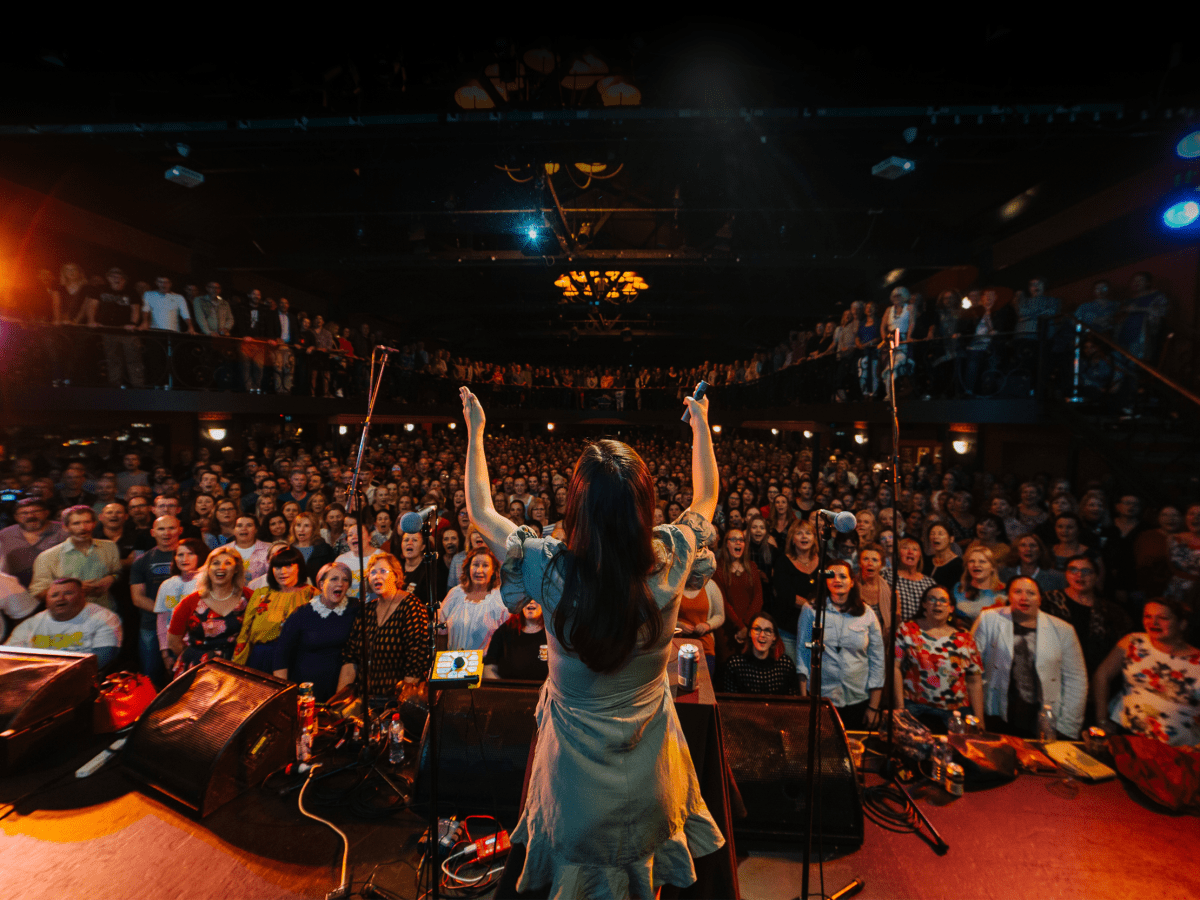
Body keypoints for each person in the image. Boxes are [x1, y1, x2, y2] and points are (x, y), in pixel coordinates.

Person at [459, 384, 725, 898]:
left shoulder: (547, 568)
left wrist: (477, 432)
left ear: (576, 504)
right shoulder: (672, 556)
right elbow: (706, 497)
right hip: (651, 773)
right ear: (643, 504)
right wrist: (700, 425)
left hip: (572, 786)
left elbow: (480, 510)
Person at [970, 576, 1088, 739]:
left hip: (1042, 717)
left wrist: (1068, 725)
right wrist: (976, 715)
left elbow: (1076, 679)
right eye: (1017, 592)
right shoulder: (989, 619)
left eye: (1031, 593)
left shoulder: (1063, 630)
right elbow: (972, 665)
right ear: (1009, 596)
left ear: (1039, 599)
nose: (1024, 597)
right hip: (996, 712)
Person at [1092, 597, 1200, 746]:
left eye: (1162, 618)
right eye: (1148, 616)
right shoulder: (1134, 641)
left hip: (1176, 746)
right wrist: (1102, 719)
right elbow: (1101, 676)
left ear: (1182, 624)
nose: (1153, 623)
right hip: (1124, 732)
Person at [796, 559, 885, 729]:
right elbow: (802, 653)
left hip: (858, 697)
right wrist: (803, 701)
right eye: (832, 576)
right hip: (822, 696)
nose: (837, 580)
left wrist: (874, 707)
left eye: (843, 576)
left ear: (852, 582)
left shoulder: (867, 614)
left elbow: (877, 660)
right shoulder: (811, 610)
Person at [336, 551, 431, 698]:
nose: (377, 576)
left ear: (396, 576)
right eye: (372, 572)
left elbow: (416, 664)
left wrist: (399, 705)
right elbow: (351, 659)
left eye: (383, 571)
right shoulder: (366, 611)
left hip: (395, 701)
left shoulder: (411, 607)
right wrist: (339, 702)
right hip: (365, 701)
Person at [893, 584, 984, 731]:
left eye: (943, 600)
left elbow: (974, 680)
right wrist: (900, 709)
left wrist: (979, 720)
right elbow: (894, 667)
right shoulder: (908, 629)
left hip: (955, 712)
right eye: (932, 599)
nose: (937, 603)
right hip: (915, 707)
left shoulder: (965, 637)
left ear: (951, 608)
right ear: (923, 604)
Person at [274, 561, 358, 702]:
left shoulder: (355, 609)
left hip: (341, 688)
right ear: (321, 584)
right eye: (334, 579)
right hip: (307, 688)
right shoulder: (302, 614)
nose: (340, 584)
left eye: (345, 580)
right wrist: (283, 697)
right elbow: (281, 656)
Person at [166, 546, 252, 676]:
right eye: (215, 563)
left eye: (227, 563)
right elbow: (174, 642)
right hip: (198, 667)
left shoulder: (249, 597)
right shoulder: (190, 602)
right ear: (208, 568)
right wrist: (196, 655)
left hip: (237, 666)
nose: (221, 567)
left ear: (236, 569)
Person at [5, 578, 121, 671]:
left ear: (82, 596)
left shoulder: (105, 618)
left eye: (68, 593)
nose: (60, 598)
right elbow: (7, 658)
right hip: (36, 680)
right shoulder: (30, 624)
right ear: (46, 601)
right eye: (54, 595)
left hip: (84, 681)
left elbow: (103, 658)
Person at [1043, 555, 1130, 677]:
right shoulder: (1047, 600)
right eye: (1073, 570)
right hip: (1055, 672)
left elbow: (1122, 646)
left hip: (1095, 675)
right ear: (1066, 574)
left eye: (1086, 571)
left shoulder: (1111, 610)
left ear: (1096, 576)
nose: (1079, 575)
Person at [233, 545, 316, 672]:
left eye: (288, 566)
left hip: (298, 658)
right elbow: (245, 632)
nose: (282, 572)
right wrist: (237, 665)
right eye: (277, 567)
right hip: (261, 656)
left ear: (299, 567)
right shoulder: (261, 594)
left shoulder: (312, 594)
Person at [28, 505, 121, 611]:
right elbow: (37, 593)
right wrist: (71, 590)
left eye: (87, 522)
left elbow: (118, 573)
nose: (83, 527)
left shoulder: (110, 547)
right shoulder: (47, 557)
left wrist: (112, 578)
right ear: (65, 527)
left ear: (94, 523)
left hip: (104, 611)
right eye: (76, 523)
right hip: (68, 616)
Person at [129, 515, 184, 685]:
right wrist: (167, 615)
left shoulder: (191, 556)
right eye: (161, 529)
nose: (166, 533)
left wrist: (179, 617)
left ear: (180, 530)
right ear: (153, 532)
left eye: (171, 528)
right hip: (151, 625)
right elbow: (137, 598)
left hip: (185, 627)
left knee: (184, 676)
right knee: (150, 676)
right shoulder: (142, 561)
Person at [768, 519, 820, 664]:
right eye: (799, 533)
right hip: (789, 630)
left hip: (816, 631)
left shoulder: (824, 561)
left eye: (808, 533)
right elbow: (786, 595)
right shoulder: (783, 562)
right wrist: (813, 606)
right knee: (792, 672)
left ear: (814, 538)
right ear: (792, 539)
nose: (804, 536)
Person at [152, 538, 209, 671]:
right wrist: (165, 653)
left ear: (200, 556)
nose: (185, 559)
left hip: (198, 645)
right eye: (180, 554)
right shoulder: (167, 584)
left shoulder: (206, 583)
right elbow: (162, 620)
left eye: (190, 554)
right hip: (173, 645)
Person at [438, 545, 508, 651]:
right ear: (468, 568)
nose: (479, 570)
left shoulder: (501, 600)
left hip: (485, 665)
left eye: (485, 566)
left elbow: (506, 640)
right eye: (475, 565)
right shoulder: (455, 594)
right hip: (453, 663)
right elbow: (441, 633)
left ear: (493, 570)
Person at [713, 527, 764, 667]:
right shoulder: (717, 569)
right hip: (726, 629)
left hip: (750, 629)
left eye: (741, 540)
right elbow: (722, 601)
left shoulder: (752, 567)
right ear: (726, 544)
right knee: (726, 668)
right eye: (733, 539)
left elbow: (758, 598)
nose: (738, 543)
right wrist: (739, 626)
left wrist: (746, 626)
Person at [721, 612, 798, 694]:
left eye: (768, 630)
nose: (762, 635)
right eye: (757, 629)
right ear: (750, 633)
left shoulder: (785, 664)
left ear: (774, 637)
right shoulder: (735, 664)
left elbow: (793, 702)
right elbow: (730, 703)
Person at [0, 497, 67, 589]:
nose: (30, 516)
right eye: (24, 513)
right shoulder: (5, 535)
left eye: (36, 511)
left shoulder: (63, 531)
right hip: (18, 590)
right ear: (16, 517)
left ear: (46, 513)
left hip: (58, 587)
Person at [676, 562, 726, 677]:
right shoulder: (676, 587)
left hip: (704, 647)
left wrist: (707, 625)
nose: (695, 579)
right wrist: (679, 626)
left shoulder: (710, 586)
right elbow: (665, 616)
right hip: (678, 647)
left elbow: (719, 615)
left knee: (703, 685)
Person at [483, 597, 549, 681]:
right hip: (509, 691)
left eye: (535, 597)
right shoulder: (504, 631)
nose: (531, 602)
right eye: (527, 598)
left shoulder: (552, 634)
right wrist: (502, 690)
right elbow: (489, 667)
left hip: (543, 692)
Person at [885, 536, 937, 621]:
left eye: (915, 549)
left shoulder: (929, 582)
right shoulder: (888, 575)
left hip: (922, 630)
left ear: (919, 556)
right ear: (899, 554)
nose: (910, 552)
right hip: (896, 628)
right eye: (905, 548)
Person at [953, 545, 1007, 625]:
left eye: (982, 561)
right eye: (971, 561)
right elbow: (948, 616)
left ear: (992, 567)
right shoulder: (958, 588)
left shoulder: (1003, 592)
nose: (976, 565)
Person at [1000, 533, 1068, 596]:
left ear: (1040, 551)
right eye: (1023, 545)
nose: (1028, 549)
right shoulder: (1004, 572)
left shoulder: (1056, 577)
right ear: (1017, 550)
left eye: (1033, 545)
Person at [289, 511, 337, 585]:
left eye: (307, 526)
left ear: (314, 529)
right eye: (298, 525)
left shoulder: (324, 550)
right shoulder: (288, 550)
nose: (301, 529)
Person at [924, 521, 963, 591]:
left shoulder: (959, 565)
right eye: (932, 534)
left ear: (951, 539)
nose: (935, 537)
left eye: (940, 534)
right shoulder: (926, 561)